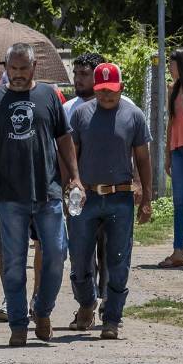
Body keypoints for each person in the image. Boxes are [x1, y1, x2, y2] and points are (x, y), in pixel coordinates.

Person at [0, 42, 83, 346]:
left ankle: (42, 310)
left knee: (56, 254)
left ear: (34, 67)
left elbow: (64, 138)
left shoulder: (49, 95)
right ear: (6, 69)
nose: (18, 74)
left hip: (47, 191)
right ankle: (18, 323)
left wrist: (74, 177)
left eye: (24, 68)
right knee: (14, 262)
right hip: (10, 195)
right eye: (13, 68)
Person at [66, 63, 152, 339]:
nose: (105, 96)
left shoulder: (134, 115)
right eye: (101, 90)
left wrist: (145, 193)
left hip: (121, 197)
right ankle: (86, 302)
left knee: (118, 260)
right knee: (79, 258)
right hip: (86, 197)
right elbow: (70, 155)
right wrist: (72, 182)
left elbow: (142, 157)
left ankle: (112, 318)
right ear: (94, 88)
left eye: (111, 91)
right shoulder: (80, 115)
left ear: (120, 89)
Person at [164, 48, 183, 269]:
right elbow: (171, 123)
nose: (169, 68)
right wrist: (167, 154)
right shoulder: (172, 89)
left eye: (172, 64)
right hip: (178, 150)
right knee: (180, 203)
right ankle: (179, 251)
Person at [64, 52, 107, 121]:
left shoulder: (123, 106)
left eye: (84, 74)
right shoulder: (67, 109)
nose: (77, 79)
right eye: (75, 73)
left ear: (99, 76)